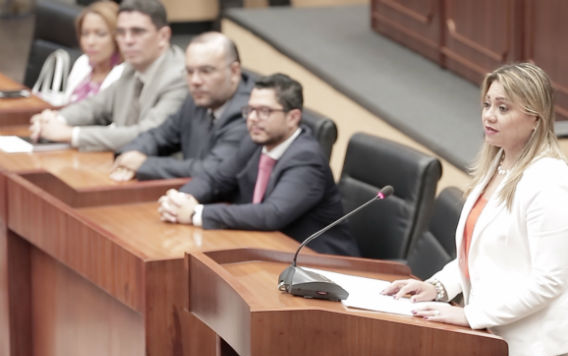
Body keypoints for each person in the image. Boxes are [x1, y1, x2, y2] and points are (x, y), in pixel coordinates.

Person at [381, 63, 568, 356]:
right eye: (487, 104)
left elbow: (550, 281)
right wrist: (436, 287)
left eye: (503, 108)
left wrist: (470, 315)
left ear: (536, 117)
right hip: (489, 340)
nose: (489, 116)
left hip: (531, 355)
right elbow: (477, 252)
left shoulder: (550, 180)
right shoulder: (498, 163)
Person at [157, 73, 360, 256]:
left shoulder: (307, 158)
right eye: (250, 110)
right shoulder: (255, 142)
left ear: (293, 117)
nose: (253, 119)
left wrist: (196, 213)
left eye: (264, 111)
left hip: (322, 264)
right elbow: (215, 178)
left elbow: (271, 214)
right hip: (269, 250)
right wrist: (181, 200)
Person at [29, 0, 187, 152]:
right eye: (121, 32)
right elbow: (96, 106)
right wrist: (56, 121)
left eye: (137, 32)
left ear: (163, 36)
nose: (127, 40)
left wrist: (72, 134)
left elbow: (147, 133)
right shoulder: (132, 68)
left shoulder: (179, 77)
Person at [110, 32, 253, 182]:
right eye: (190, 72)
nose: (195, 81)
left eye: (206, 71)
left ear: (235, 71)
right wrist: (129, 154)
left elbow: (213, 169)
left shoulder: (250, 111)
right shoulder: (198, 99)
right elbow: (159, 135)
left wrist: (143, 164)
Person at [63, 1, 124, 105]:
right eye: (85, 33)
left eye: (100, 34)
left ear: (117, 37)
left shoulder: (124, 75)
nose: (90, 42)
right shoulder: (82, 62)